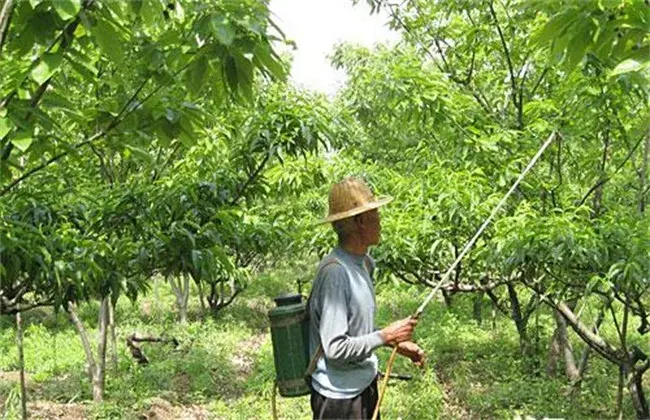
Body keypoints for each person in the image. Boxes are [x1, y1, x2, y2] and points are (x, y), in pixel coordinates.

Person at [308, 176, 425, 420]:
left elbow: (357, 329)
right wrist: (386, 336)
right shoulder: (336, 273)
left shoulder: (364, 264)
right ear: (360, 221)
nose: (380, 222)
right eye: (375, 215)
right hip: (340, 401)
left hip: (363, 387)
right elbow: (336, 349)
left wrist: (397, 344)